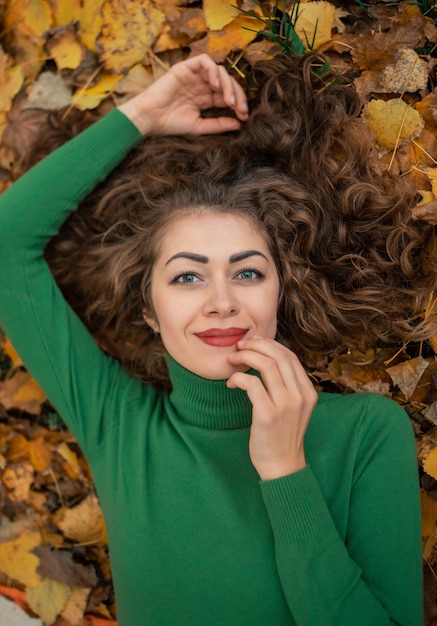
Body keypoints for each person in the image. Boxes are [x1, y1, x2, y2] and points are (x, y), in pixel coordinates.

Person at [0, 52, 433, 626]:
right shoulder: (120, 426)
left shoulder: (366, 433)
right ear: (150, 312)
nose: (222, 300)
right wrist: (143, 114)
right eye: (186, 276)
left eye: (248, 272)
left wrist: (285, 472)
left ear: (281, 291)